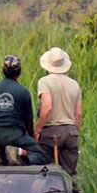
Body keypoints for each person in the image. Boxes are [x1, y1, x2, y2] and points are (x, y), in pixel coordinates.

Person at [0, 55, 48, 165]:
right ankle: (22, 161)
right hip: (15, 135)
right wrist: (31, 137)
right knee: (42, 156)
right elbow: (29, 120)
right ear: (19, 72)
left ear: (3, 71)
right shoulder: (23, 91)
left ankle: (4, 158)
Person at [34, 47, 82, 176]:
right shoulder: (74, 84)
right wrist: (74, 132)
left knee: (46, 172)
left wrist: (38, 129)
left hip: (52, 132)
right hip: (71, 131)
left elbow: (47, 107)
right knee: (70, 173)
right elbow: (78, 114)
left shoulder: (44, 82)